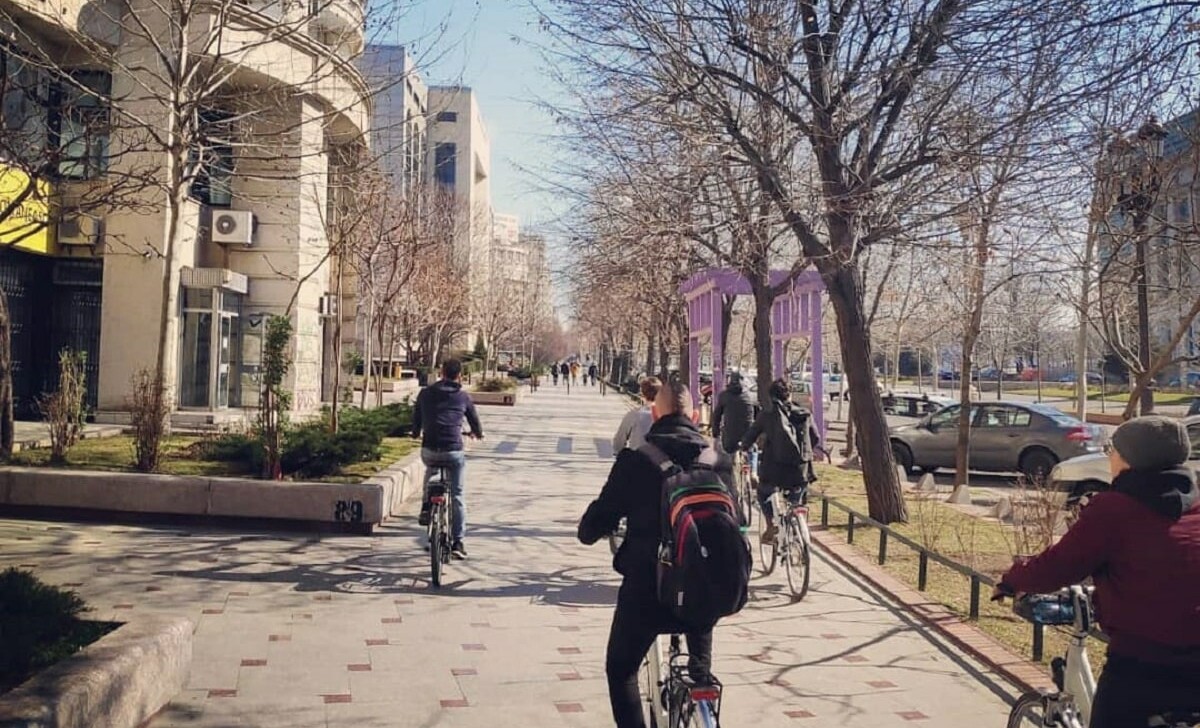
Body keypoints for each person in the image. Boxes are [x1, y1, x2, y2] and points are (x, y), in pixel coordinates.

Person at [995, 416, 1200, 728]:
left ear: (1129, 459)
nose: (1110, 459)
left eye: (1112, 451)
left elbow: (1058, 567)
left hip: (1142, 666)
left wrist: (1012, 580)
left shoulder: (1113, 510)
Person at [578, 376, 729, 728]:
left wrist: (591, 528)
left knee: (621, 671)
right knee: (700, 672)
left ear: (653, 412)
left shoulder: (636, 461)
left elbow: (592, 527)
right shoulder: (717, 461)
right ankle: (701, 689)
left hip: (648, 592)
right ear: (694, 413)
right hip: (707, 590)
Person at [411, 359, 484, 560]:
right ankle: (458, 542)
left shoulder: (425, 394)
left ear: (441, 373)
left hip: (430, 450)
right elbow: (474, 421)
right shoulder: (463, 397)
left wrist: (416, 433)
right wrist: (477, 433)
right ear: (459, 375)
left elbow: (416, 419)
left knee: (431, 468)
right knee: (457, 494)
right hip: (453, 451)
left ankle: (426, 506)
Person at [739, 378, 820, 544]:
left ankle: (771, 525)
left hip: (775, 471)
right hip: (801, 470)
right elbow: (815, 437)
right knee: (795, 500)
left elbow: (751, 435)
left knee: (763, 492)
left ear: (771, 396)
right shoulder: (804, 413)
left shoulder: (767, 415)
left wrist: (744, 447)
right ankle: (797, 523)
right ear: (789, 395)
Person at [712, 371, 757, 471]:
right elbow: (757, 416)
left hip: (729, 436)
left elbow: (716, 416)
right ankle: (753, 471)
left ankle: (728, 473)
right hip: (747, 436)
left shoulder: (724, 395)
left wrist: (716, 434)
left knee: (726, 457)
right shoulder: (750, 396)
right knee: (753, 450)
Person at [611, 377, 660, 454]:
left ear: (642, 395)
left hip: (637, 460)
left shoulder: (634, 415)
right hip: (662, 463)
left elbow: (618, 442)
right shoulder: (667, 416)